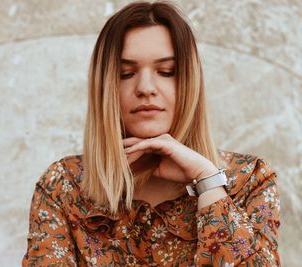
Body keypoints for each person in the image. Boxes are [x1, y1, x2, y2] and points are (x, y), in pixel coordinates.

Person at [22, 1, 281, 266]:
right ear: (105, 86)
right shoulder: (64, 186)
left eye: (166, 72)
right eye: (126, 73)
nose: (146, 88)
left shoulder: (249, 180)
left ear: (190, 81)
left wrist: (208, 183)